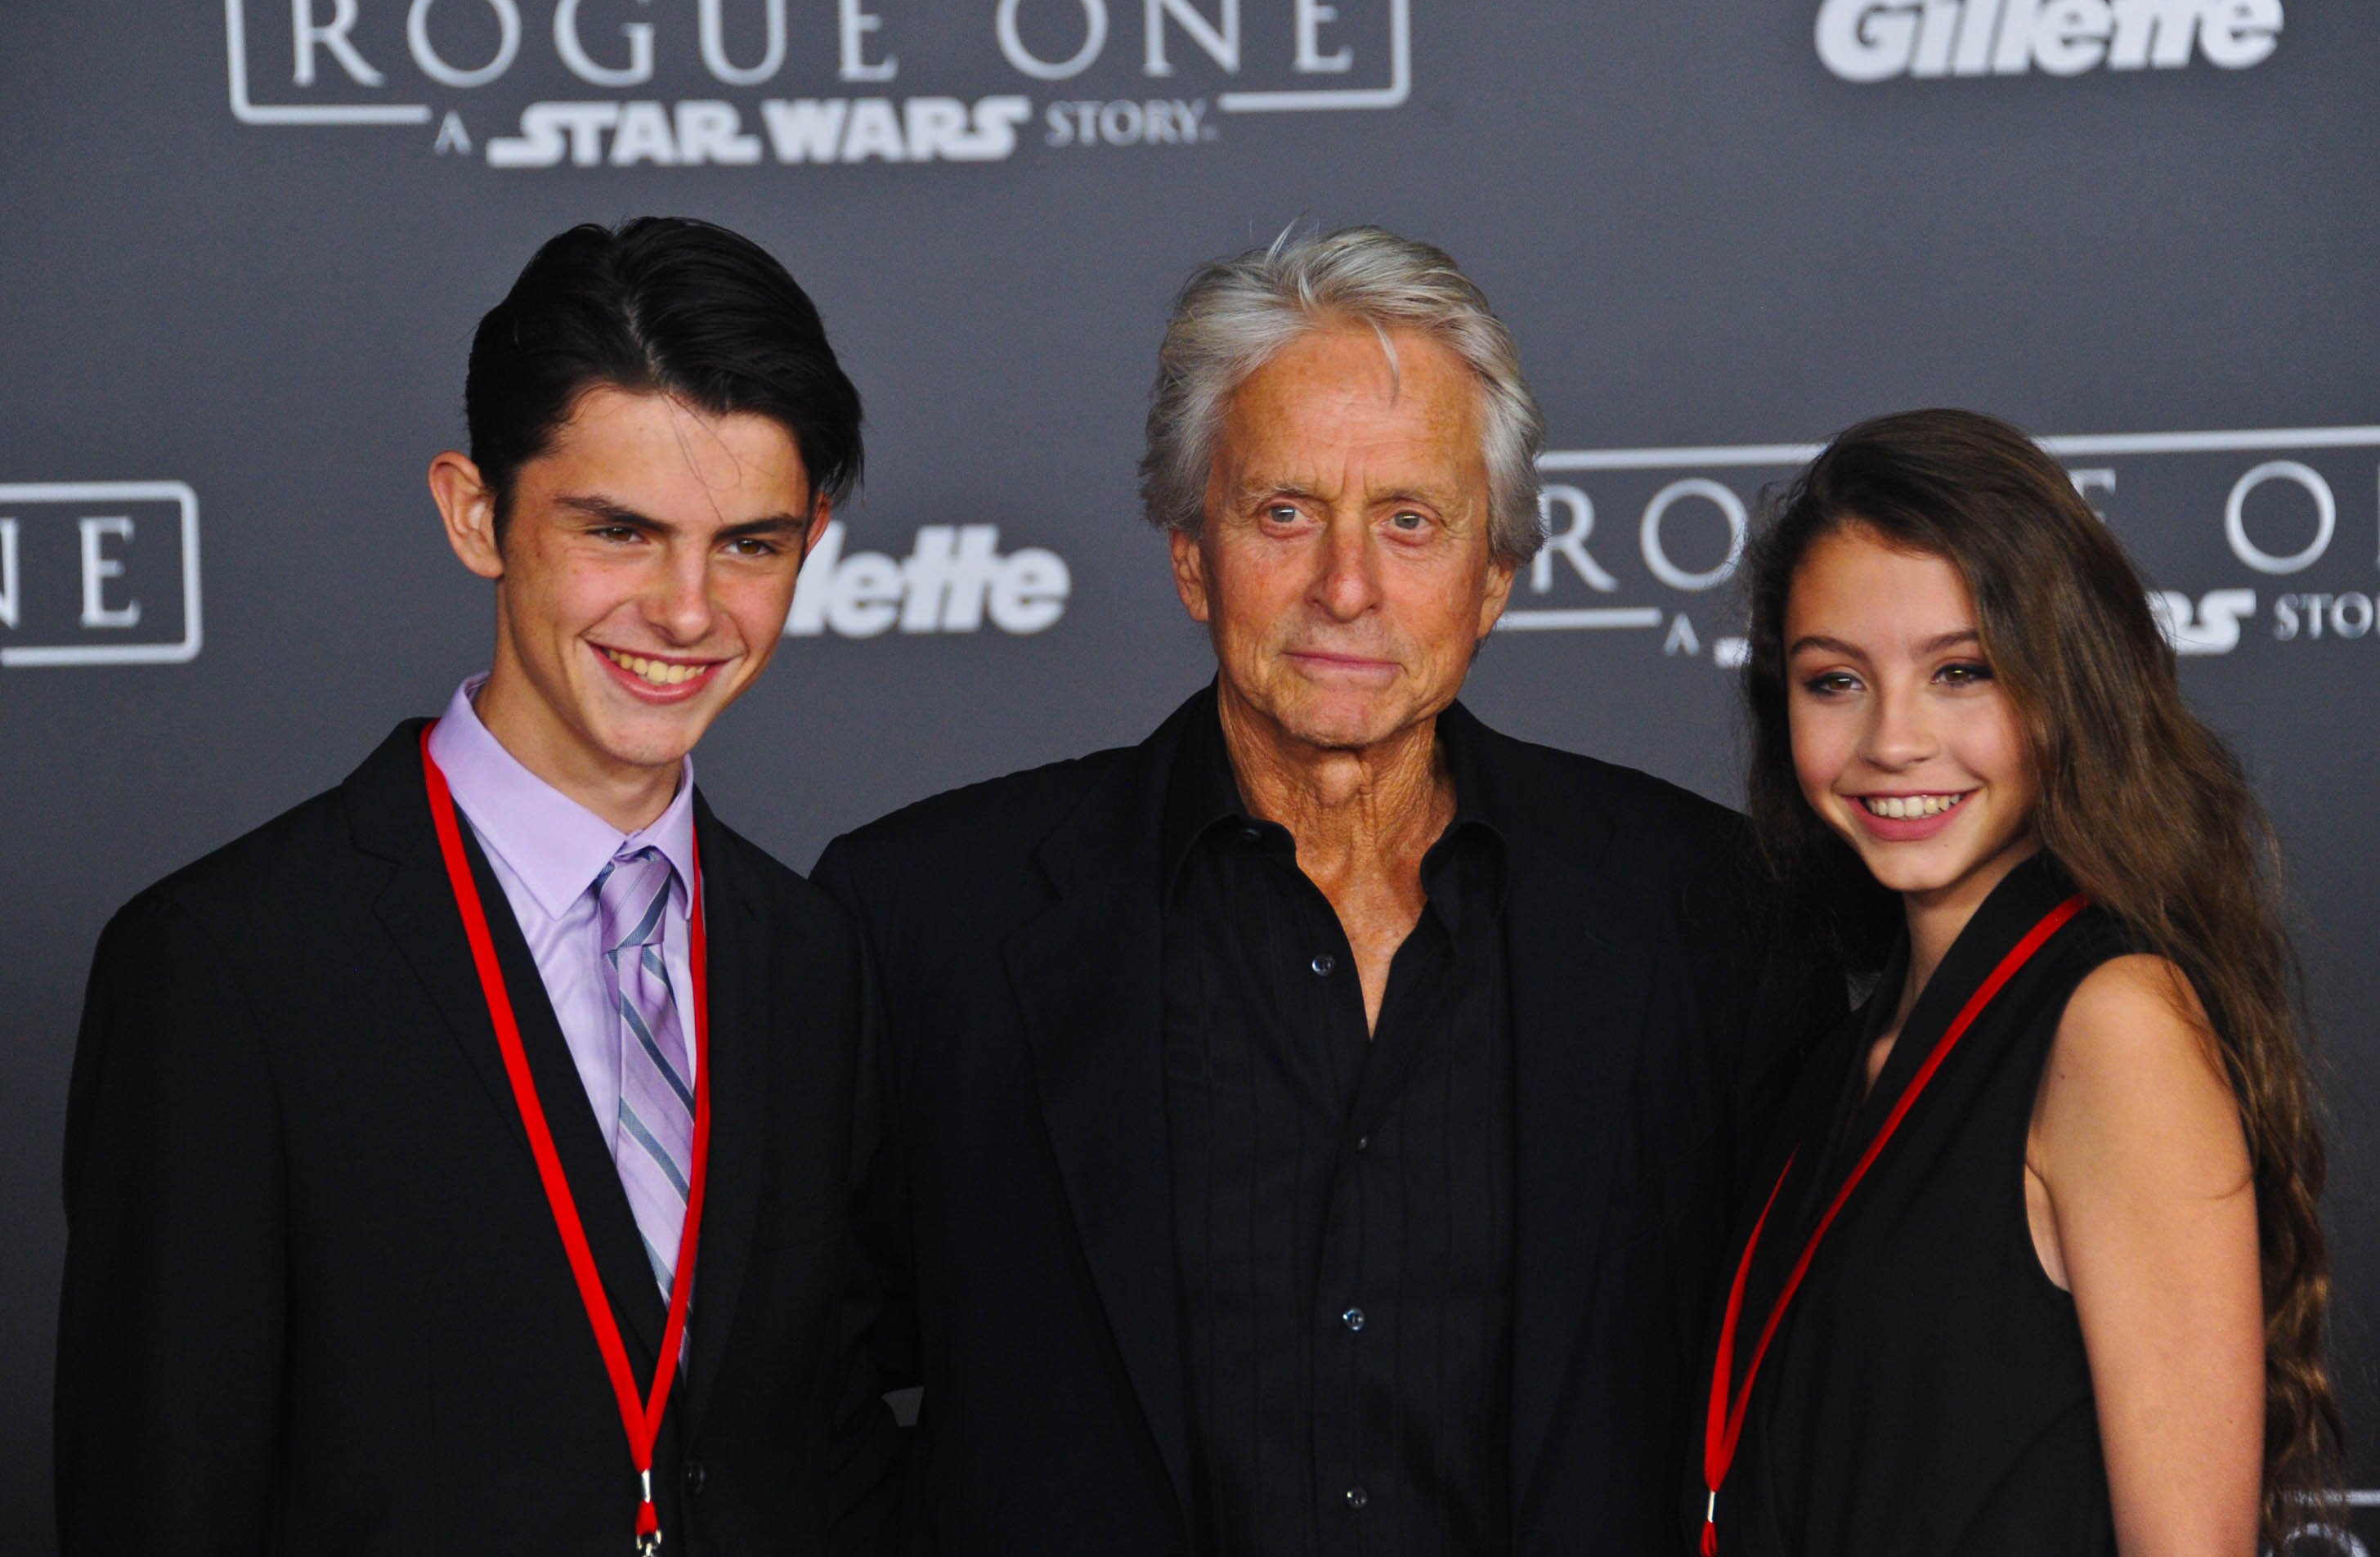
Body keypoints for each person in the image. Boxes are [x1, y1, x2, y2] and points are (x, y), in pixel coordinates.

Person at [813, 227, 1814, 1555]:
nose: (1347, 586)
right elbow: (789, 1407)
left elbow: (1817, 1407)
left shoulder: (1708, 916)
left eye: (1412, 522)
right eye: (1283, 514)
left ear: (1495, 578)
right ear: (1190, 558)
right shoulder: (923, 921)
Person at [56, 217, 901, 1555]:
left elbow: (824, 1445)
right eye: (620, 531)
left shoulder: (810, 954)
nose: (688, 612)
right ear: (474, 513)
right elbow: (163, 1501)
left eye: (750, 544)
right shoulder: (227, 964)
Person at [1696, 409, 2339, 1555]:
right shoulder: (1847, 1056)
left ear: (2068, 690)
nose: (1894, 740)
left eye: (1962, 673)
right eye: (1834, 681)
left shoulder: (2115, 1026)